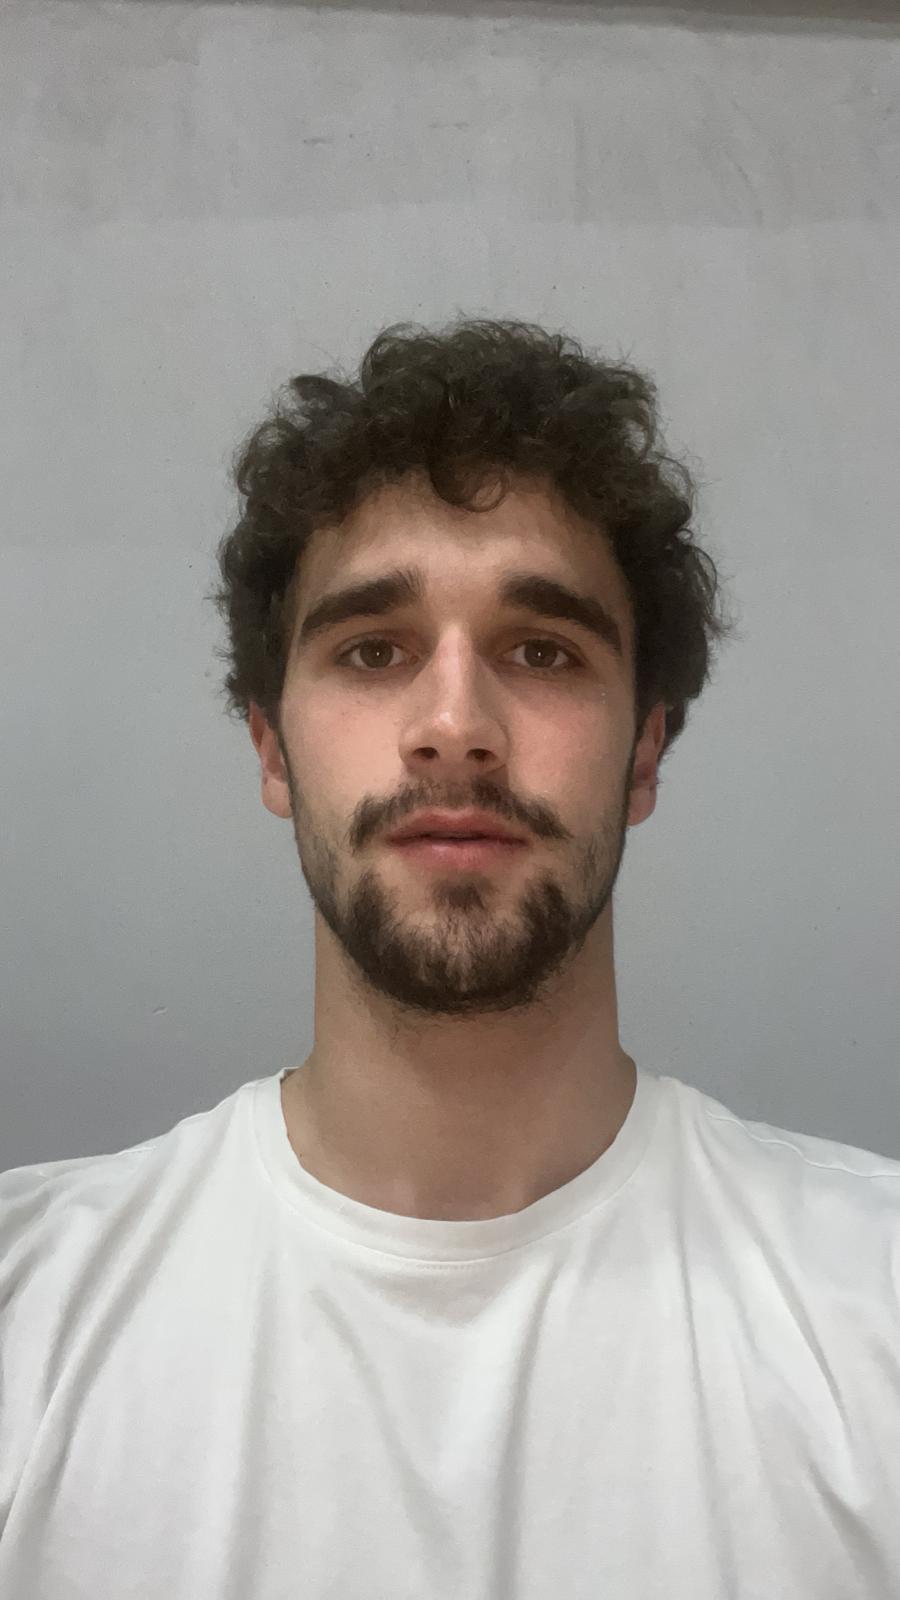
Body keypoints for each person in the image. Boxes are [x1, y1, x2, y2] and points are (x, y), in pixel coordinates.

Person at [1, 317, 898, 1598]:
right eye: (373, 649)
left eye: (543, 650)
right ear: (272, 748)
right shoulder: (30, 1320)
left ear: (644, 754)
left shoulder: (872, 1306)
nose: (455, 726)